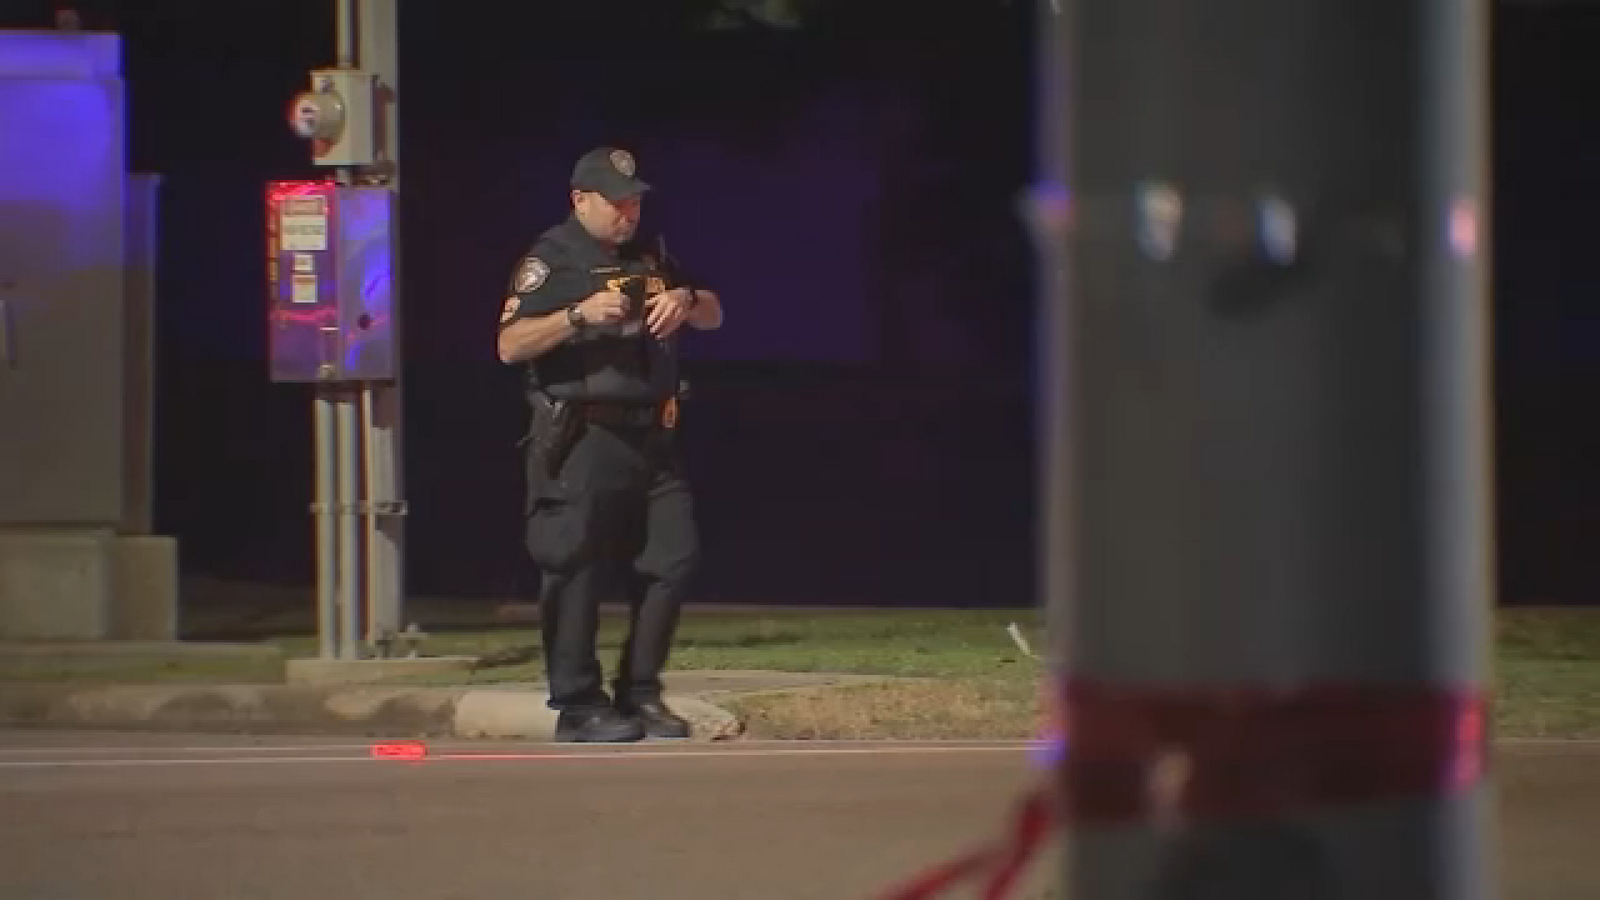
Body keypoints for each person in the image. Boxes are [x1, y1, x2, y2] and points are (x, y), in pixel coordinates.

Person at [496, 147, 724, 743]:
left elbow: (714, 313)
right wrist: (576, 315)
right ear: (580, 199)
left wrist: (685, 300)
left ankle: (641, 692)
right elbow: (510, 345)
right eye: (617, 202)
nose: (629, 213)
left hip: (653, 433)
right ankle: (578, 705)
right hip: (583, 434)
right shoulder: (551, 258)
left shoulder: (653, 255)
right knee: (574, 567)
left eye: (635, 202)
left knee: (673, 557)